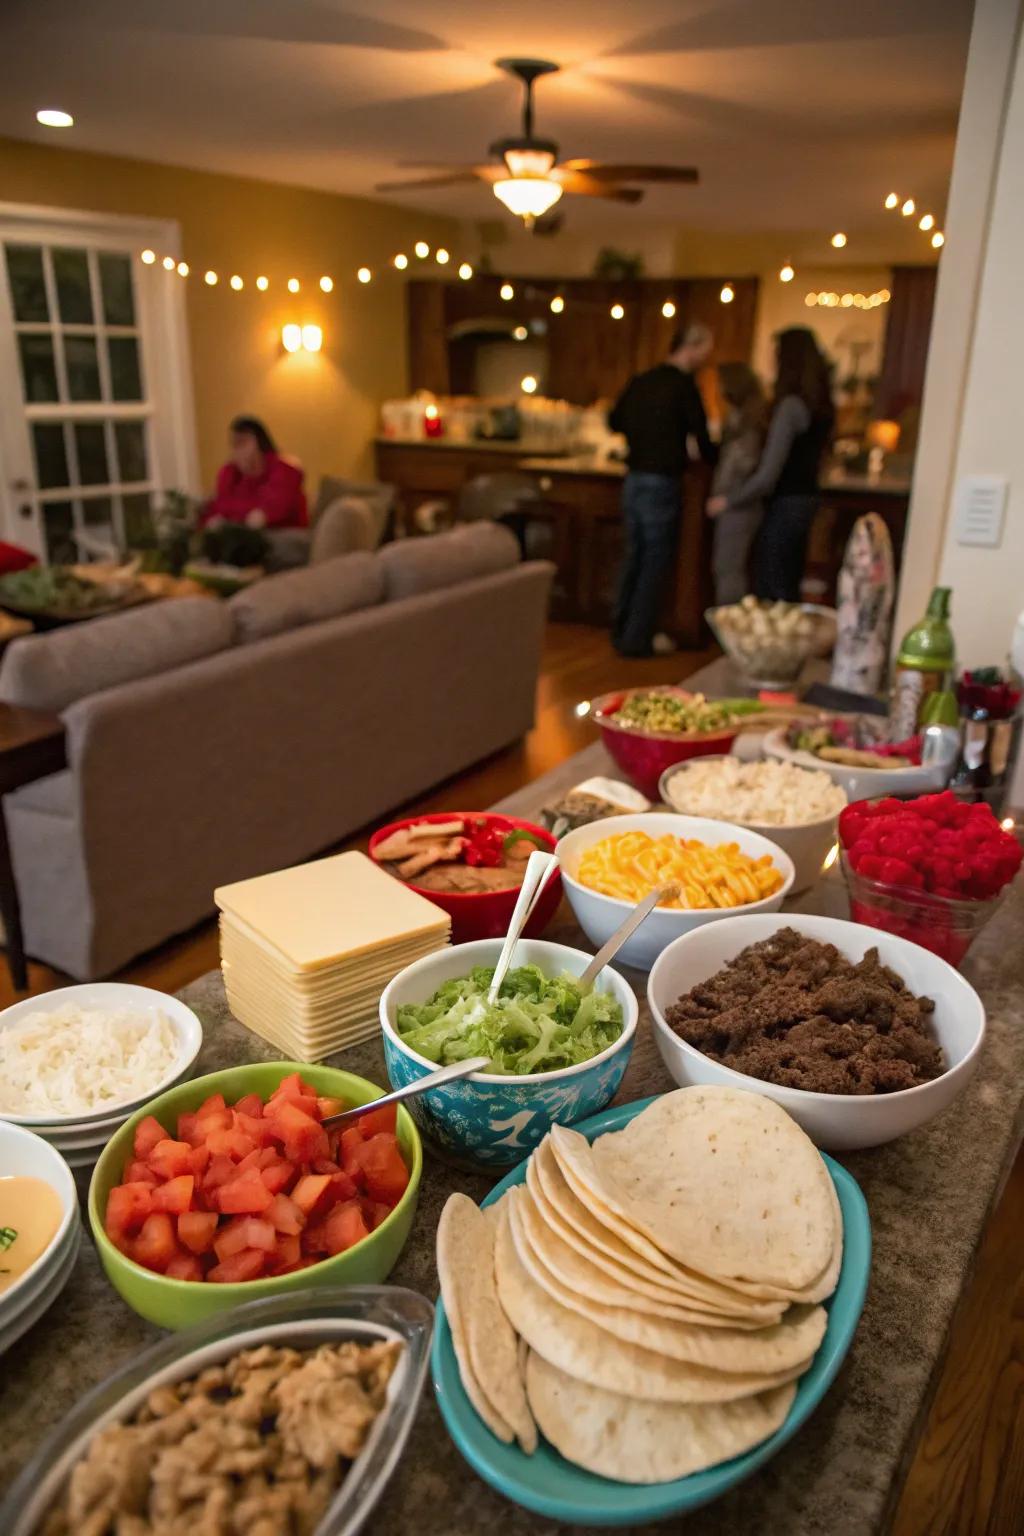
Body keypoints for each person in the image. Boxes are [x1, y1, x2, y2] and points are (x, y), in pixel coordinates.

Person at [608, 324, 717, 657]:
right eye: (705, 350)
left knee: (634, 554)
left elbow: (614, 420)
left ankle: (620, 629)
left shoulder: (643, 381)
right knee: (654, 560)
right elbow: (703, 439)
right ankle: (636, 638)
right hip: (661, 480)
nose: (707, 357)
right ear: (691, 346)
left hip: (634, 477)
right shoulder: (683, 386)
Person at [707, 328, 833, 602]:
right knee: (786, 582)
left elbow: (768, 475)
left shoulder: (790, 407)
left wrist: (729, 500)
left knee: (773, 587)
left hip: (785, 503)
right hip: (806, 498)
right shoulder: (819, 404)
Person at [706, 362, 766, 604]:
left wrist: (727, 498)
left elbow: (745, 467)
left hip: (739, 504)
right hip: (732, 502)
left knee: (729, 570)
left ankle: (731, 632)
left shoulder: (750, 423)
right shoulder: (737, 417)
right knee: (725, 568)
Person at [201, 416, 308, 528]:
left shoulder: (285, 470)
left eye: (243, 443)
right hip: (243, 532)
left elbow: (271, 511)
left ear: (260, 443)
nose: (237, 450)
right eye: (234, 445)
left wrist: (232, 515)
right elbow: (218, 508)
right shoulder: (230, 472)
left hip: (283, 533)